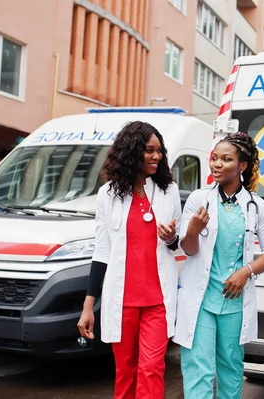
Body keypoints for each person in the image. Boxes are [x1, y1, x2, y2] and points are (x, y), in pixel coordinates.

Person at [77, 121, 181, 399]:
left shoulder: (168, 190)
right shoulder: (108, 195)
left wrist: (171, 238)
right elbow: (101, 251)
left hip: (158, 301)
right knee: (126, 370)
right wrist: (88, 307)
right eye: (149, 150)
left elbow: (177, 243)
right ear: (132, 152)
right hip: (121, 301)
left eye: (160, 151)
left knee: (151, 368)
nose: (157, 156)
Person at [174, 132, 264, 399]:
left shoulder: (257, 206)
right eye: (214, 158)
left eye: (226, 159)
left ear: (242, 166)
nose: (216, 164)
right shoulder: (199, 199)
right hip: (202, 298)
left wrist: (247, 271)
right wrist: (193, 231)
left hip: (234, 301)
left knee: (231, 367)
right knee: (199, 367)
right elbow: (188, 249)